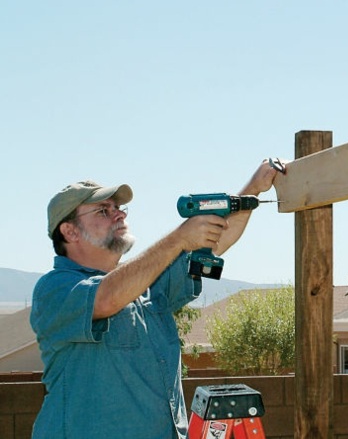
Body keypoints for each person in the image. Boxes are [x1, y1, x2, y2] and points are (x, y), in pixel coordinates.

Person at [30, 159, 281, 439]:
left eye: (118, 208)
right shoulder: (54, 290)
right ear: (70, 231)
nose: (119, 215)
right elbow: (106, 299)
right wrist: (179, 239)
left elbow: (214, 240)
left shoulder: (145, 283)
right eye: (103, 210)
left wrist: (252, 192)